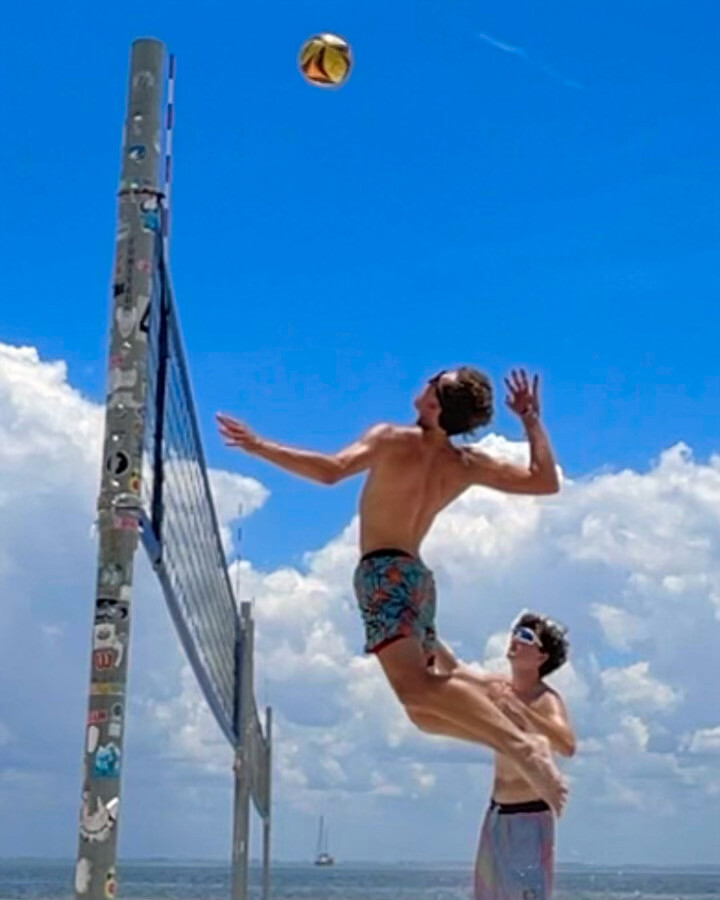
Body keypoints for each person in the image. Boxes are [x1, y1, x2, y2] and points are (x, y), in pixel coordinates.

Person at [216, 367, 567, 813]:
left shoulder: (392, 439)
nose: (423, 381)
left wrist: (258, 446)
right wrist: (531, 421)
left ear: (435, 403)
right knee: (422, 714)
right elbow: (545, 480)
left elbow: (331, 471)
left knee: (417, 691)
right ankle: (514, 730)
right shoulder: (466, 463)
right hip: (417, 578)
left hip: (384, 573)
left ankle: (520, 745)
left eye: (434, 380)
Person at [435, 613, 575, 900]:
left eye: (525, 637)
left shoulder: (546, 700)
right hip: (496, 818)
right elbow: (455, 672)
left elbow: (566, 744)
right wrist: (426, 634)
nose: (515, 640)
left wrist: (521, 710)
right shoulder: (499, 688)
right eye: (515, 633)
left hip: (530, 819)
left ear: (541, 656)